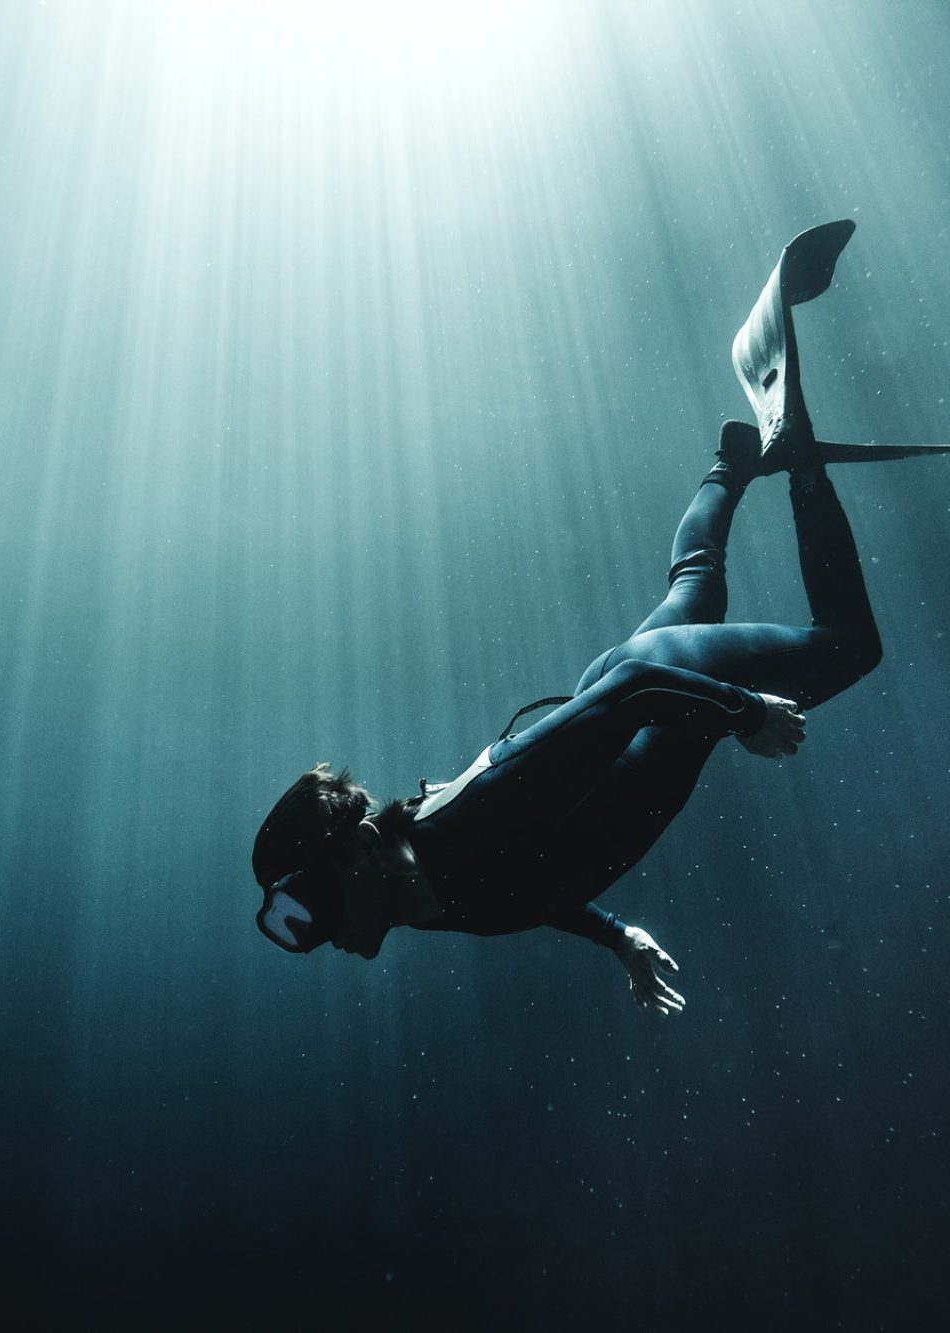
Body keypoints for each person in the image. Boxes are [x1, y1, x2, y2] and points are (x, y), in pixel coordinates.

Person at [252, 221, 947, 1016]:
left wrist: (743, 711)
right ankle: (732, 460)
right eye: (301, 923)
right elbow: (523, 889)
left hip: (664, 690)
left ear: (363, 851)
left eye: (309, 904)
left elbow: (638, 694)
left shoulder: (462, 828)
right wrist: (616, 936)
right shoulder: (411, 895)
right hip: (644, 686)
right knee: (699, 583)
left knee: (850, 647)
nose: (319, 934)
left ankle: (794, 453)